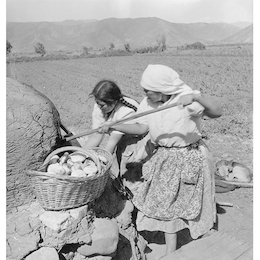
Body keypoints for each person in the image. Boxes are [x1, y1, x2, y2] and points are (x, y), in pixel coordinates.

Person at [98, 64, 223, 258]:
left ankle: (198, 242)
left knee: (188, 202)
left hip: (188, 156)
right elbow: (141, 127)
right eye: (145, 90)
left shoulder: (187, 98)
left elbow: (217, 112)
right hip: (164, 157)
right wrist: (115, 126)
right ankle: (171, 251)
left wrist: (197, 97)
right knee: (167, 204)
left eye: (149, 91)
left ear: (163, 89)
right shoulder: (148, 103)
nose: (145, 94)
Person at [83, 79, 153, 181]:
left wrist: (100, 166)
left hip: (135, 142)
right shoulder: (100, 107)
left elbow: (112, 143)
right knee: (118, 173)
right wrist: (80, 154)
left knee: (130, 176)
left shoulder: (125, 111)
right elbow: (96, 136)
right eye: (97, 103)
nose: (99, 107)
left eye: (102, 105)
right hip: (120, 138)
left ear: (114, 102)